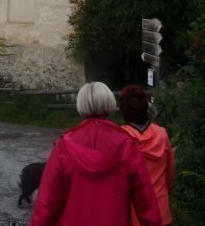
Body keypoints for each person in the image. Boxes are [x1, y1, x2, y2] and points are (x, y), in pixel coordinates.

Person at [30, 82, 162, 226]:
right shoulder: (127, 145)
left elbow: (47, 201)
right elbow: (146, 202)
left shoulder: (64, 146)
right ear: (110, 104)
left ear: (81, 106)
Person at [120, 85, 174, 226]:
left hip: (133, 214)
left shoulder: (121, 137)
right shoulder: (162, 134)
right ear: (146, 107)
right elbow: (169, 175)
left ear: (123, 110)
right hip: (161, 211)